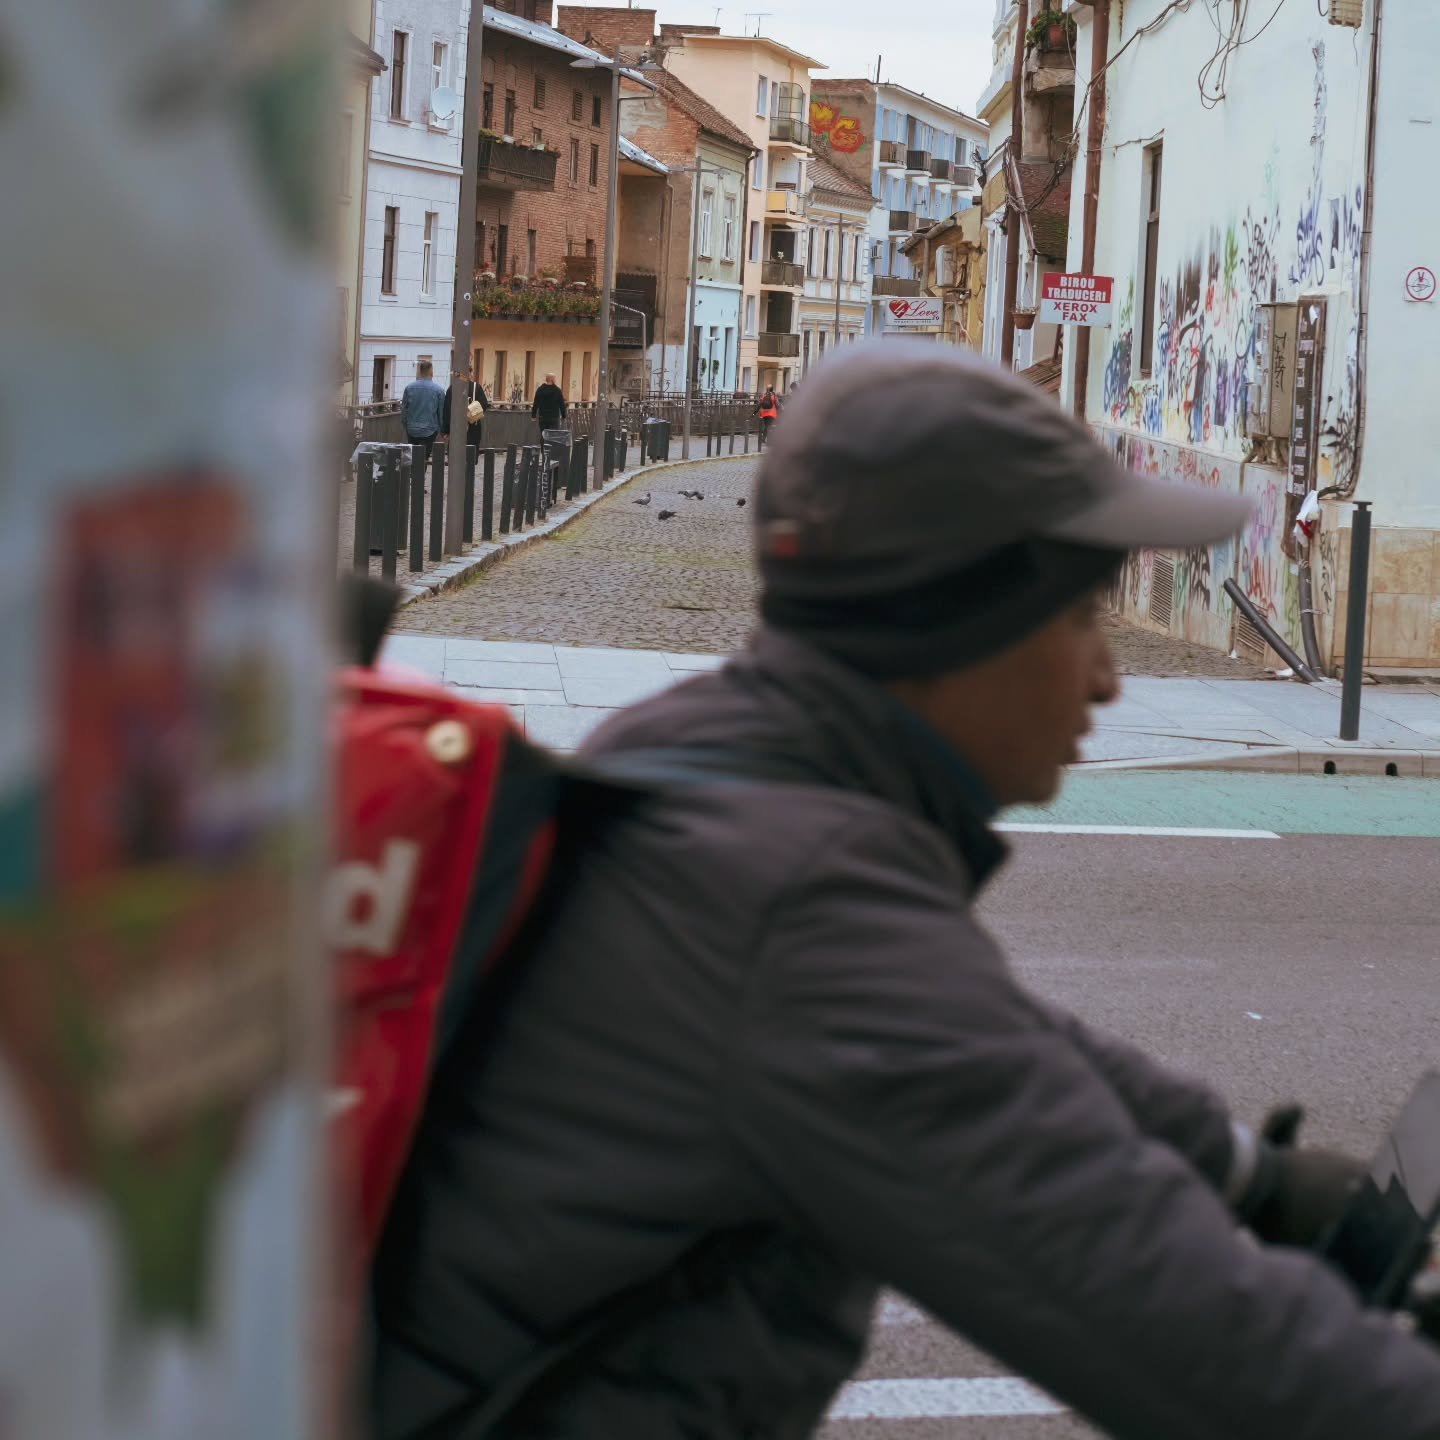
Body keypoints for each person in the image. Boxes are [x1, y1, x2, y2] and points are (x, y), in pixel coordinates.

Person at [368, 342, 1440, 1440]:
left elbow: (1007, 1050)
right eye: (1081, 618)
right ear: (958, 621)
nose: (1109, 675)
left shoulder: (712, 750)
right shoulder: (795, 916)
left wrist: (1254, 1177)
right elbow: (1207, 1346)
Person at [400, 359, 444, 461]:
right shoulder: (438, 390)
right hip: (430, 430)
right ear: (431, 372)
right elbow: (441, 413)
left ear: (420, 372)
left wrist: (405, 425)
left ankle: (413, 474)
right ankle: (419, 475)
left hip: (412, 429)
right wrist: (443, 431)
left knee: (412, 456)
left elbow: (404, 410)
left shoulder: (409, 388)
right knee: (424, 457)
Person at [441, 367, 491, 451]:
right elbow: (484, 405)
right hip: (473, 429)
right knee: (470, 457)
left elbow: (447, 411)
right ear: (470, 374)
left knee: (455, 454)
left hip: (456, 428)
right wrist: (470, 413)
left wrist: (446, 431)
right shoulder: (477, 388)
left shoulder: (452, 389)